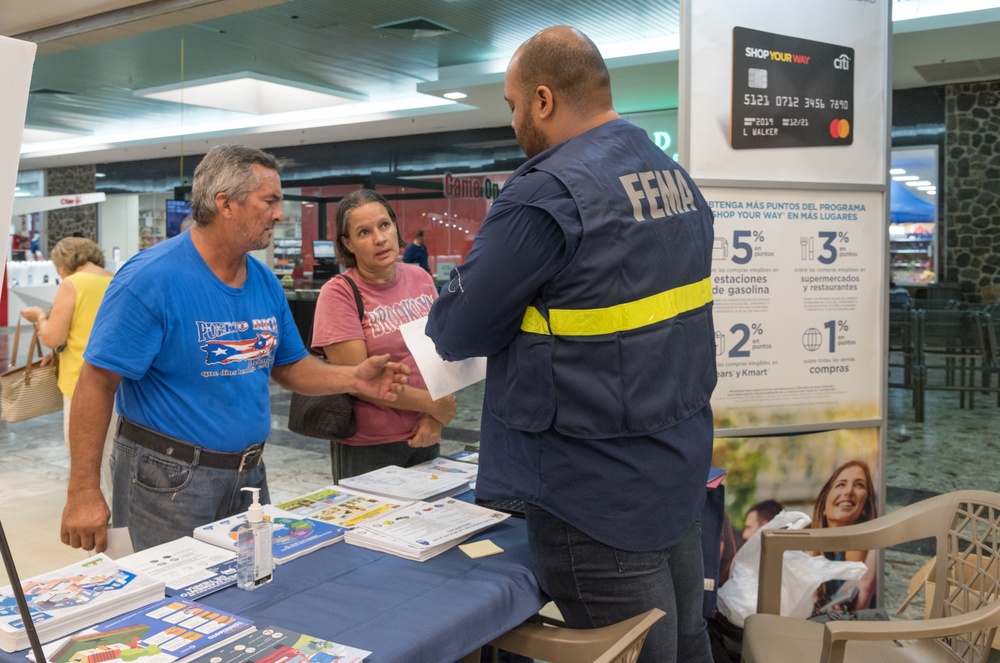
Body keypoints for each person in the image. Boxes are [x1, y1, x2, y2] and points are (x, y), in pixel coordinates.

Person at [426, 26, 717, 663]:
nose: (513, 121)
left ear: (543, 99)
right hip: (675, 465)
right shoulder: (674, 179)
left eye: (510, 105)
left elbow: (456, 329)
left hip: (592, 492)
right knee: (689, 641)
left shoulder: (548, 193)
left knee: (635, 653)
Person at [60, 144, 410, 555]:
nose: (280, 214)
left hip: (248, 477)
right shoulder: (150, 278)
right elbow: (96, 382)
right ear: (225, 204)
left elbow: (290, 366)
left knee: (248, 599)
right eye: (270, 201)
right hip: (165, 481)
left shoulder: (262, 281)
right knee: (174, 605)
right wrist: (83, 489)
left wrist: (353, 377)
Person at [311, 189, 456, 480]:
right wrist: (433, 404)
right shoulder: (339, 293)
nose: (379, 238)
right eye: (364, 232)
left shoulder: (420, 278)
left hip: (426, 433)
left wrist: (434, 418)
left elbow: (443, 353)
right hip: (370, 446)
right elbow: (358, 381)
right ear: (347, 243)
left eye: (384, 225)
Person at [21, 237, 116, 501]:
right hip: (121, 379)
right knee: (114, 448)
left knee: (85, 448)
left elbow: (53, 337)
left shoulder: (72, 283)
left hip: (81, 380)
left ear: (64, 261)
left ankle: (96, 506)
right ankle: (119, 509)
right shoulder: (115, 279)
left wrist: (40, 317)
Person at [810, 459, 879, 615]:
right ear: (823, 508)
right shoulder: (807, 551)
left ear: (865, 509)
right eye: (841, 484)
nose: (848, 491)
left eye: (859, 485)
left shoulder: (871, 548)